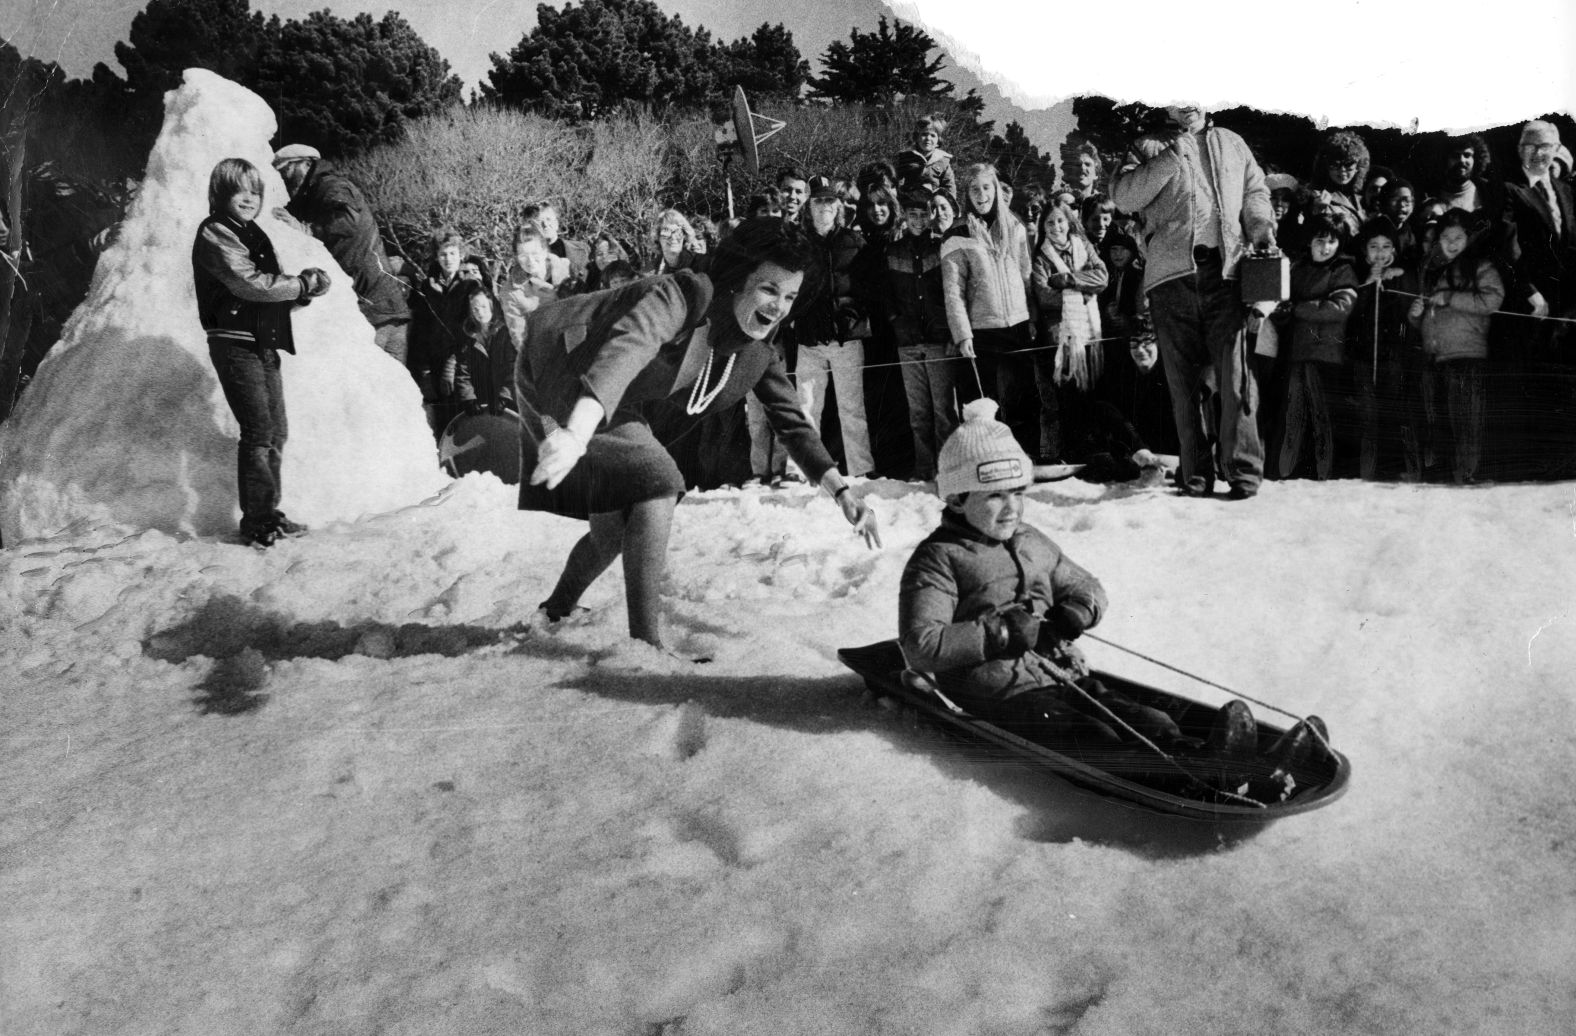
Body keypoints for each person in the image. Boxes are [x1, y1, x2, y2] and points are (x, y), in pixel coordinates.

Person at [518, 217, 881, 649]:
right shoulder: (686, 292)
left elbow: (792, 421)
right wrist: (577, 432)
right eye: (768, 289)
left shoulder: (756, 352)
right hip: (565, 365)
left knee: (613, 529)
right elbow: (631, 342)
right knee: (656, 483)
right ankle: (645, 647)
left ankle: (554, 611)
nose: (778, 306)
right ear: (737, 281)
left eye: (789, 296)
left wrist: (842, 492)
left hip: (611, 399)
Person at [898, 397, 1261, 754]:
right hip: (995, 693)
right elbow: (921, 645)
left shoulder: (1030, 541)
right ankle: (1183, 779)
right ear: (958, 499)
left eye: (1018, 492)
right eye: (995, 496)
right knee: (1094, 737)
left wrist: (1076, 611)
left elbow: (1086, 586)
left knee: (1148, 720)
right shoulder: (938, 559)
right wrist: (1001, 633)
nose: (1012, 508)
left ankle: (1209, 759)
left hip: (1060, 675)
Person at [1111, 102, 1276, 500]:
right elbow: (1124, 197)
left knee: (1235, 376)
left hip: (1226, 273)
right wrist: (1171, 154)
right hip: (1170, 279)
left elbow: (1255, 191)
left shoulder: (1233, 143)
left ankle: (1243, 472)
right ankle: (1196, 473)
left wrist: (1260, 227)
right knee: (1184, 384)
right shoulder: (1146, 146)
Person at [192, 157, 330, 546]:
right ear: (222, 194)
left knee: (276, 431)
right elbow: (250, 283)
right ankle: (257, 521)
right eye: (240, 191)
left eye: (255, 191)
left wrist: (305, 293)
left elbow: (271, 292)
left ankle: (269, 512)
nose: (249, 199)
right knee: (258, 432)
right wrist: (301, 285)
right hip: (235, 343)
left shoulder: (251, 233)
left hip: (262, 342)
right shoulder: (216, 232)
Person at [272, 143, 410, 363]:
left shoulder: (332, 186)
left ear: (306, 164)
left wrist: (307, 229)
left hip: (378, 312)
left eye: (286, 168)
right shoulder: (313, 194)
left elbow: (349, 221)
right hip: (378, 308)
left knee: (374, 387)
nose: (283, 176)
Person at [940, 163, 1038, 458]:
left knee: (1024, 397)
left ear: (996, 189)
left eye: (986, 187)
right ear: (966, 194)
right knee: (984, 402)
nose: (981, 194)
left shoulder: (1014, 226)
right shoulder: (956, 233)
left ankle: (1025, 457)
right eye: (974, 189)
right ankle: (986, 461)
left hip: (1018, 324)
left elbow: (1026, 275)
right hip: (981, 330)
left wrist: (1032, 316)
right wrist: (962, 335)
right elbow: (953, 292)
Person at [1408, 208, 1505, 484]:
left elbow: (1492, 300)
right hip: (1438, 355)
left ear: (1469, 238)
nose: (1451, 243)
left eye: (1458, 237)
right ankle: (1447, 471)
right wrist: (1416, 316)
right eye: (1445, 237)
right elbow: (1432, 313)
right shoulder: (1436, 270)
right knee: (1443, 415)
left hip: (1467, 353)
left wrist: (1450, 297)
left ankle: (1468, 472)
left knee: (1467, 417)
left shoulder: (1481, 267)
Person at [789, 176, 876, 479]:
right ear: (809, 207)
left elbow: (868, 286)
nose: (824, 206)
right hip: (810, 339)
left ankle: (861, 470)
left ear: (838, 206)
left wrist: (854, 316)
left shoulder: (854, 241)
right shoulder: (798, 243)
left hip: (846, 338)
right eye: (818, 201)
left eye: (829, 201)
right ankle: (802, 471)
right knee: (806, 407)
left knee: (852, 409)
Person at [1273, 215, 1358, 480]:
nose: (1325, 248)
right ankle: (1284, 470)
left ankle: (1325, 470)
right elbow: (1284, 302)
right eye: (1320, 240)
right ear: (1309, 242)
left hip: (1325, 352)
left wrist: (1299, 308)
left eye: (1332, 242)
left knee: (1322, 414)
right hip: (1298, 351)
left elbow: (1340, 307)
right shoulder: (1297, 268)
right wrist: (1283, 312)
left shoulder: (1341, 270)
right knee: (1294, 410)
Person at [884, 187, 959, 481]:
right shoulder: (893, 251)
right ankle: (925, 468)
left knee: (944, 410)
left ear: (931, 215)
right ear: (904, 216)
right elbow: (887, 294)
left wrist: (949, 327)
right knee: (918, 412)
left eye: (923, 214)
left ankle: (948, 469)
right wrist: (897, 321)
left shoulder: (941, 247)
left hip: (938, 338)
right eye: (912, 214)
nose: (917, 219)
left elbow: (952, 291)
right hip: (908, 342)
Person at [1031, 203, 1108, 463]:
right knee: (1064, 396)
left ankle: (1089, 450)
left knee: (1089, 393)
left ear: (1069, 222)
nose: (1056, 227)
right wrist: (1083, 289)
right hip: (1059, 335)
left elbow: (1102, 277)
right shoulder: (1041, 257)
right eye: (1050, 223)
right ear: (1043, 227)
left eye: (1060, 221)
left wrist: (1067, 281)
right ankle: (1064, 453)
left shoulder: (1083, 246)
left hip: (1087, 330)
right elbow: (1044, 295)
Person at [407, 229, 472, 437]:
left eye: (453, 253)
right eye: (443, 254)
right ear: (437, 256)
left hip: (462, 366)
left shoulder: (471, 285)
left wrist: (454, 363)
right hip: (433, 365)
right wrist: (424, 372)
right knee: (440, 424)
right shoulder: (428, 287)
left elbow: (473, 330)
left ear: (461, 254)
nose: (448, 259)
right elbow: (420, 332)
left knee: (463, 420)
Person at [452, 282, 516, 416]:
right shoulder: (467, 335)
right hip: (481, 397)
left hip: (506, 399)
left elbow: (514, 368)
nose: (480, 312)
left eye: (483, 306)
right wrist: (468, 398)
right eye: (475, 309)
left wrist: (505, 396)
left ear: (492, 306)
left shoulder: (506, 332)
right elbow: (463, 371)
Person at [495, 222, 560, 350]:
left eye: (534, 253)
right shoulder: (511, 292)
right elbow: (520, 338)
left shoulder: (566, 268)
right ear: (516, 257)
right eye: (523, 256)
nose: (530, 261)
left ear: (545, 250)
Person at [522, 200, 591, 294]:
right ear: (532, 227)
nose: (545, 225)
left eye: (548, 219)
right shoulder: (526, 259)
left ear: (557, 223)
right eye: (539, 221)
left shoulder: (582, 249)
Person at [895, 114, 957, 198]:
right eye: (924, 134)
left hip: (933, 205)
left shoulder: (943, 160)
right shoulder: (906, 156)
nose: (928, 138)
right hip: (910, 203)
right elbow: (895, 180)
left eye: (933, 135)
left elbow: (949, 186)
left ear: (938, 140)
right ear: (917, 137)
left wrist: (950, 205)